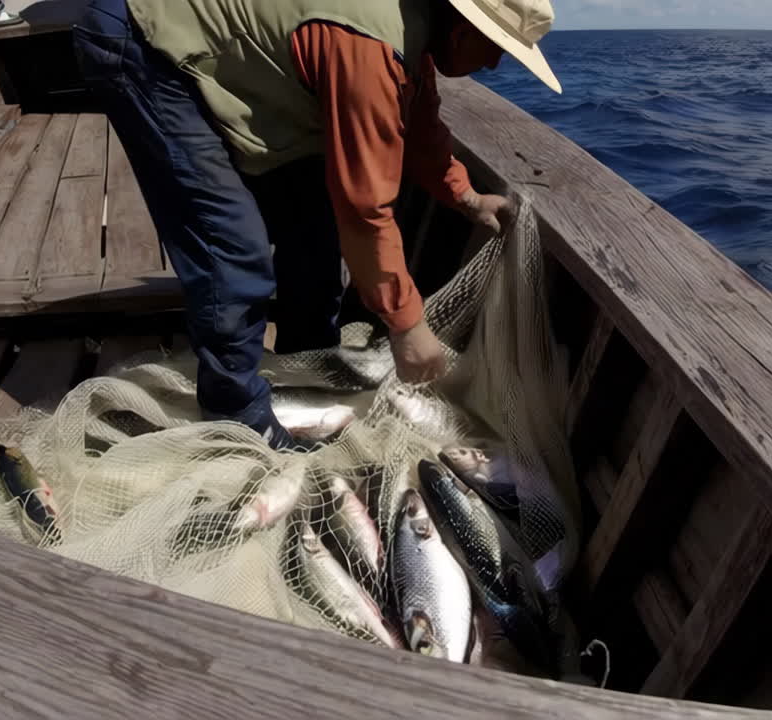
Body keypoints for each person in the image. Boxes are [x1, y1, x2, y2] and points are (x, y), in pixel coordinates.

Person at [72, 0, 562, 449]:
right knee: (233, 248)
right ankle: (235, 419)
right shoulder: (372, 49)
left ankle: (304, 363)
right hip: (141, 40)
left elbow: (418, 127)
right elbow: (366, 209)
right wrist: (407, 326)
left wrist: (466, 195)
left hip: (238, 56)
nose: (496, 65)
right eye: (497, 50)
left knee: (314, 229)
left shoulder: (412, 30)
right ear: (461, 31)